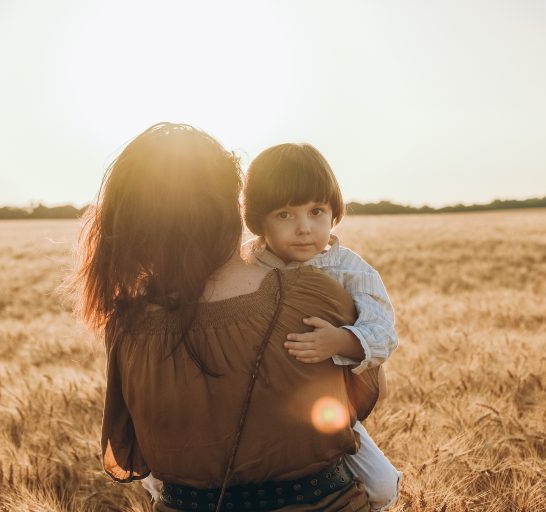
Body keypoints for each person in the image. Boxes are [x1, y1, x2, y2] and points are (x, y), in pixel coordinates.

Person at [77, 123, 380, 511]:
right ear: (230, 207)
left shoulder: (127, 326)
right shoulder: (311, 294)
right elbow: (367, 395)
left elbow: (133, 446)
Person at [241, 142, 402, 511]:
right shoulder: (246, 264)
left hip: (328, 406)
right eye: (284, 215)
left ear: (334, 212)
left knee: (381, 486)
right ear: (259, 219)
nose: (303, 228)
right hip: (255, 404)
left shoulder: (350, 269)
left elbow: (383, 333)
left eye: (316, 211)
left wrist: (341, 341)